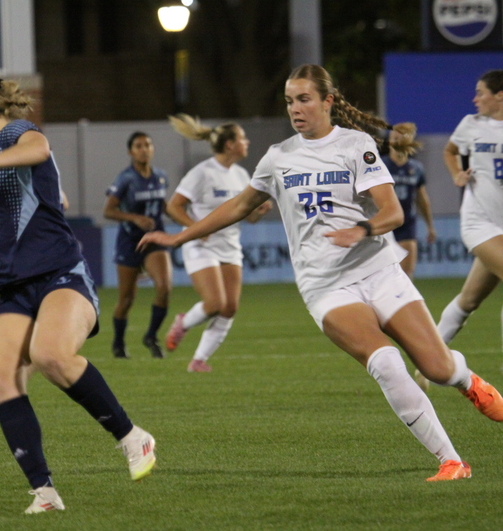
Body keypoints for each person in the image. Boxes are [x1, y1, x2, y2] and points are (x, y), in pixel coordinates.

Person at [139, 64, 503, 482]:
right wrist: (180, 237)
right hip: (326, 286)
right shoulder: (279, 157)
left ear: (328, 101)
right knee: (385, 362)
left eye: (304, 99)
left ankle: (467, 380)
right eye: (290, 101)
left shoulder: (356, 145)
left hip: (380, 271)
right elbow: (239, 207)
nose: (296, 108)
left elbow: (393, 211)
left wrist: (362, 229)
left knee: (438, 369)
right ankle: (452, 461)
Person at [0, 70, 156, 514]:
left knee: (50, 355)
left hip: (60, 273)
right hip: (15, 286)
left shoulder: (15, 136)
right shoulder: (1, 157)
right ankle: (44, 492)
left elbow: (39, 147)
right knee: (1, 375)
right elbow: (45, 202)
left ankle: (133, 438)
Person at [163, 114, 271, 372]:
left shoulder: (242, 174)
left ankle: (198, 360)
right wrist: (195, 229)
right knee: (214, 304)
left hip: (230, 245)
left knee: (230, 308)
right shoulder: (202, 172)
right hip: (201, 244)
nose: (247, 141)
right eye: (242, 138)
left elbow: (249, 218)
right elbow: (174, 206)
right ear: (230, 144)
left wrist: (258, 211)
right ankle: (183, 322)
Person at [435, 70, 503, 346]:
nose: (475, 99)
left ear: (499, 96)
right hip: (480, 224)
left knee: (469, 300)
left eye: (480, 93)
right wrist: (456, 174)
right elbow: (450, 151)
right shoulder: (471, 125)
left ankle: (429, 360)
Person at [103, 131, 171, 359]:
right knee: (126, 299)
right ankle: (118, 343)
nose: (144, 149)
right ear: (130, 151)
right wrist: (134, 218)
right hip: (130, 241)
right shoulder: (126, 178)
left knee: (164, 287)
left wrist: (192, 226)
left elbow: (164, 206)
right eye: (139, 146)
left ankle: (151, 335)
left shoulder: (161, 176)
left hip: (154, 239)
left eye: (148, 145)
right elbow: (108, 211)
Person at [380, 124, 436, 278]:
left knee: (406, 274)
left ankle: (403, 301)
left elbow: (422, 199)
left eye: (401, 137)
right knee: (383, 274)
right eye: (394, 137)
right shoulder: (380, 165)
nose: (397, 140)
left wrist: (430, 226)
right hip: (385, 224)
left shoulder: (416, 168)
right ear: (389, 141)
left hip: (406, 224)